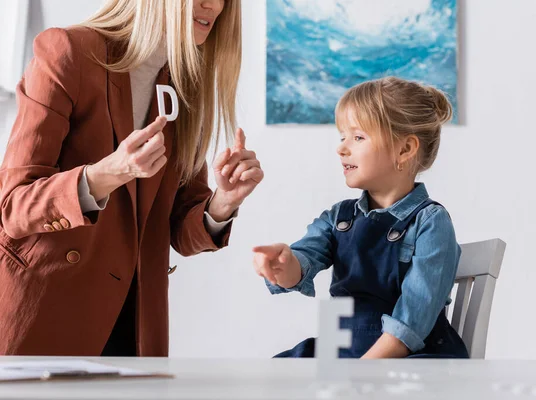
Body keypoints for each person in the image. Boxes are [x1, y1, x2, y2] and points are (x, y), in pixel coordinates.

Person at [0, 0, 263, 357]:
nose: (213, 6)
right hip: (46, 310)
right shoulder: (69, 51)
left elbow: (181, 234)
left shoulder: (185, 81)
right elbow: (13, 206)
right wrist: (106, 175)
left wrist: (224, 202)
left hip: (135, 321)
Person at [253, 77, 468, 359]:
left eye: (358, 137)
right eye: (342, 136)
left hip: (404, 356)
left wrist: (358, 373)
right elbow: (303, 261)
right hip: (343, 349)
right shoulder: (337, 218)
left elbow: (411, 323)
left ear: (404, 149)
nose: (341, 148)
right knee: (271, 376)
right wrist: (283, 265)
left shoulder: (430, 222)